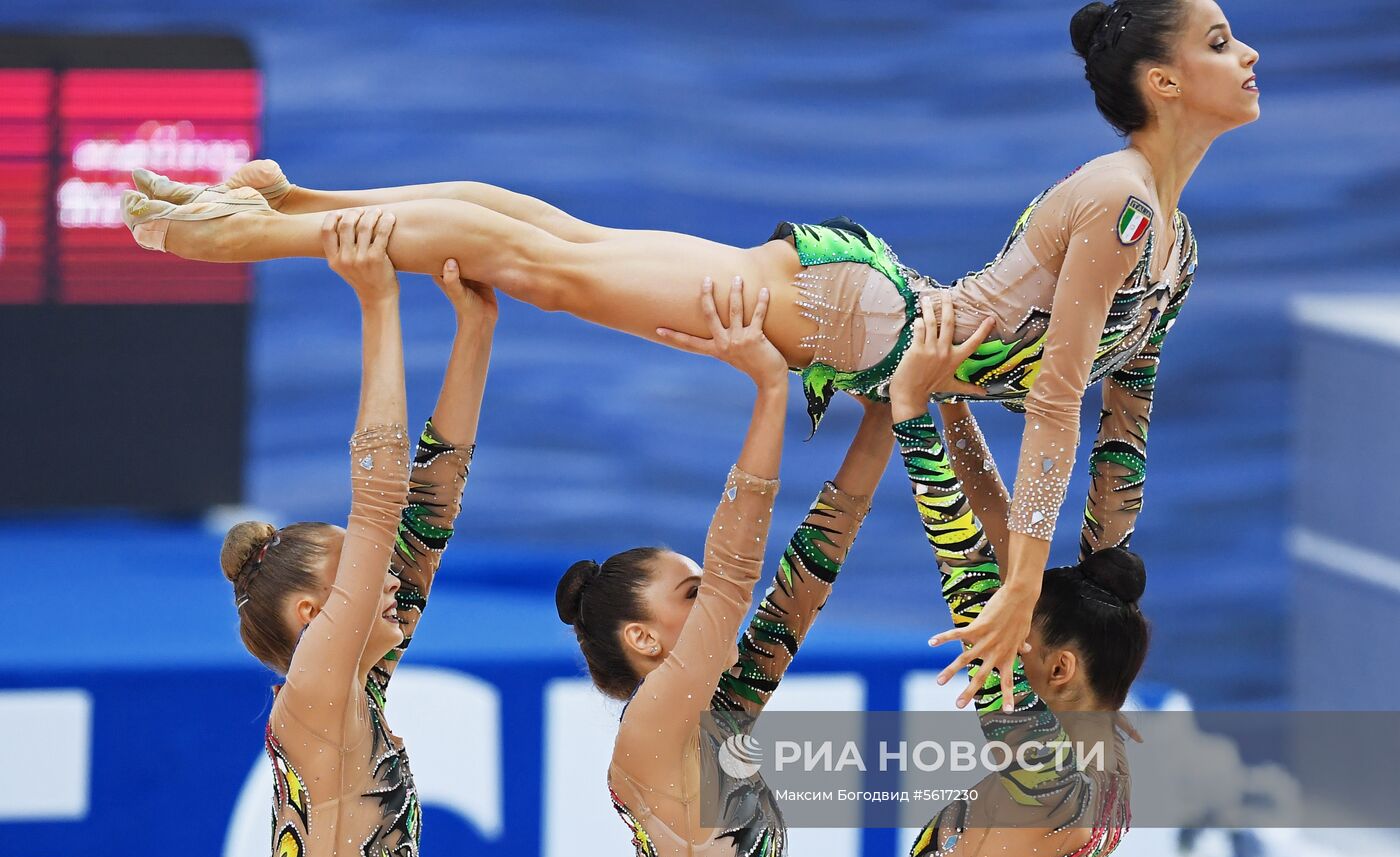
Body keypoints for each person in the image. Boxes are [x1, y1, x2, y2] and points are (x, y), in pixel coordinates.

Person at [129, 0, 1257, 708]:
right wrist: (1017, 584)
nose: (1244, 53)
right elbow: (1054, 397)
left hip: (868, 316)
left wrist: (1100, 570)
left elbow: (1123, 413)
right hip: (851, 321)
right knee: (546, 262)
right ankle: (254, 230)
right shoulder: (1120, 203)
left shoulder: (1174, 242)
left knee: (556, 242)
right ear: (1159, 85)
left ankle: (294, 198)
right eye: (1215, 41)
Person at [551, 279, 976, 857]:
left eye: (704, 590)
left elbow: (805, 580)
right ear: (642, 638)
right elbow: (734, 577)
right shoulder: (651, 726)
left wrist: (882, 414)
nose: (717, 604)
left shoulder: (718, 720)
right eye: (689, 595)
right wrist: (771, 387)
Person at [219, 207, 495, 857]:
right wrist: (378, 301)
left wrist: (476, 330)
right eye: (366, 568)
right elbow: (379, 502)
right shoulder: (315, 696)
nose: (394, 577)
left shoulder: (348, 697)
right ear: (315, 614)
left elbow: (428, 510)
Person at [877, 308, 1151, 857]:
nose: (995, 646)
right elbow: (1004, 547)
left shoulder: (1051, 780)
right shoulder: (1102, 752)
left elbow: (967, 573)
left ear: (1060, 666)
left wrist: (911, 412)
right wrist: (953, 406)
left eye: (1013, 643)